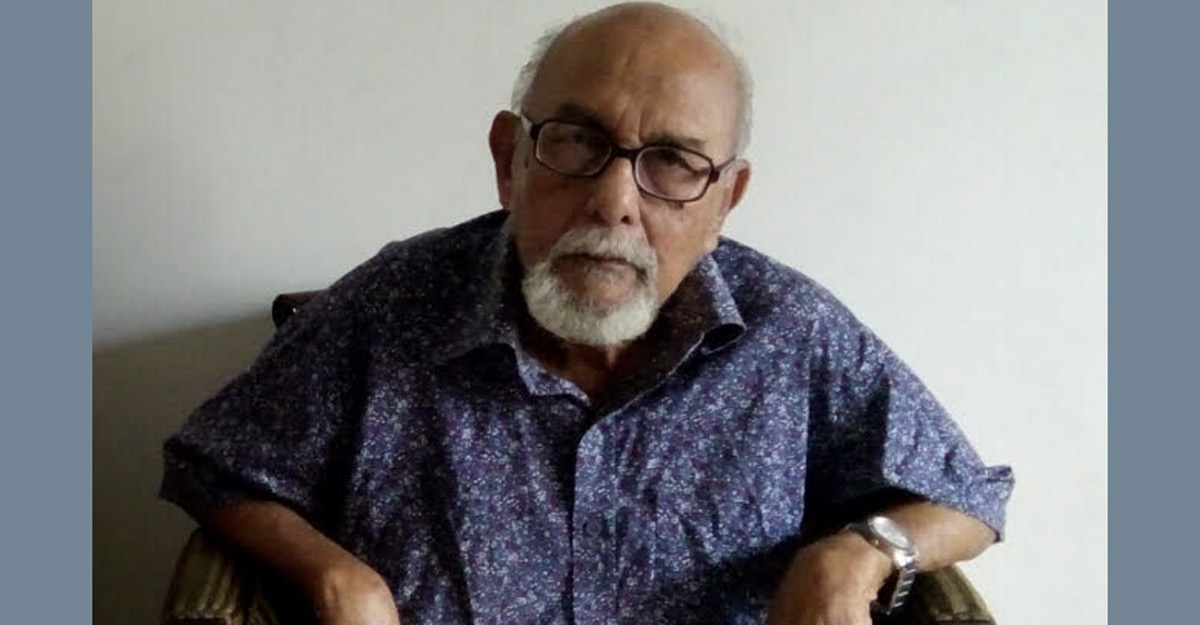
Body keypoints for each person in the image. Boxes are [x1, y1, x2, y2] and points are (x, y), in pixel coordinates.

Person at [160, 3, 1014, 625]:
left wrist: (863, 550)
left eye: (673, 162)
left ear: (725, 200)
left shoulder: (791, 334)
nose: (613, 201)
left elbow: (970, 498)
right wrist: (337, 576)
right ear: (510, 160)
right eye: (576, 141)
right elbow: (210, 465)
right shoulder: (396, 305)